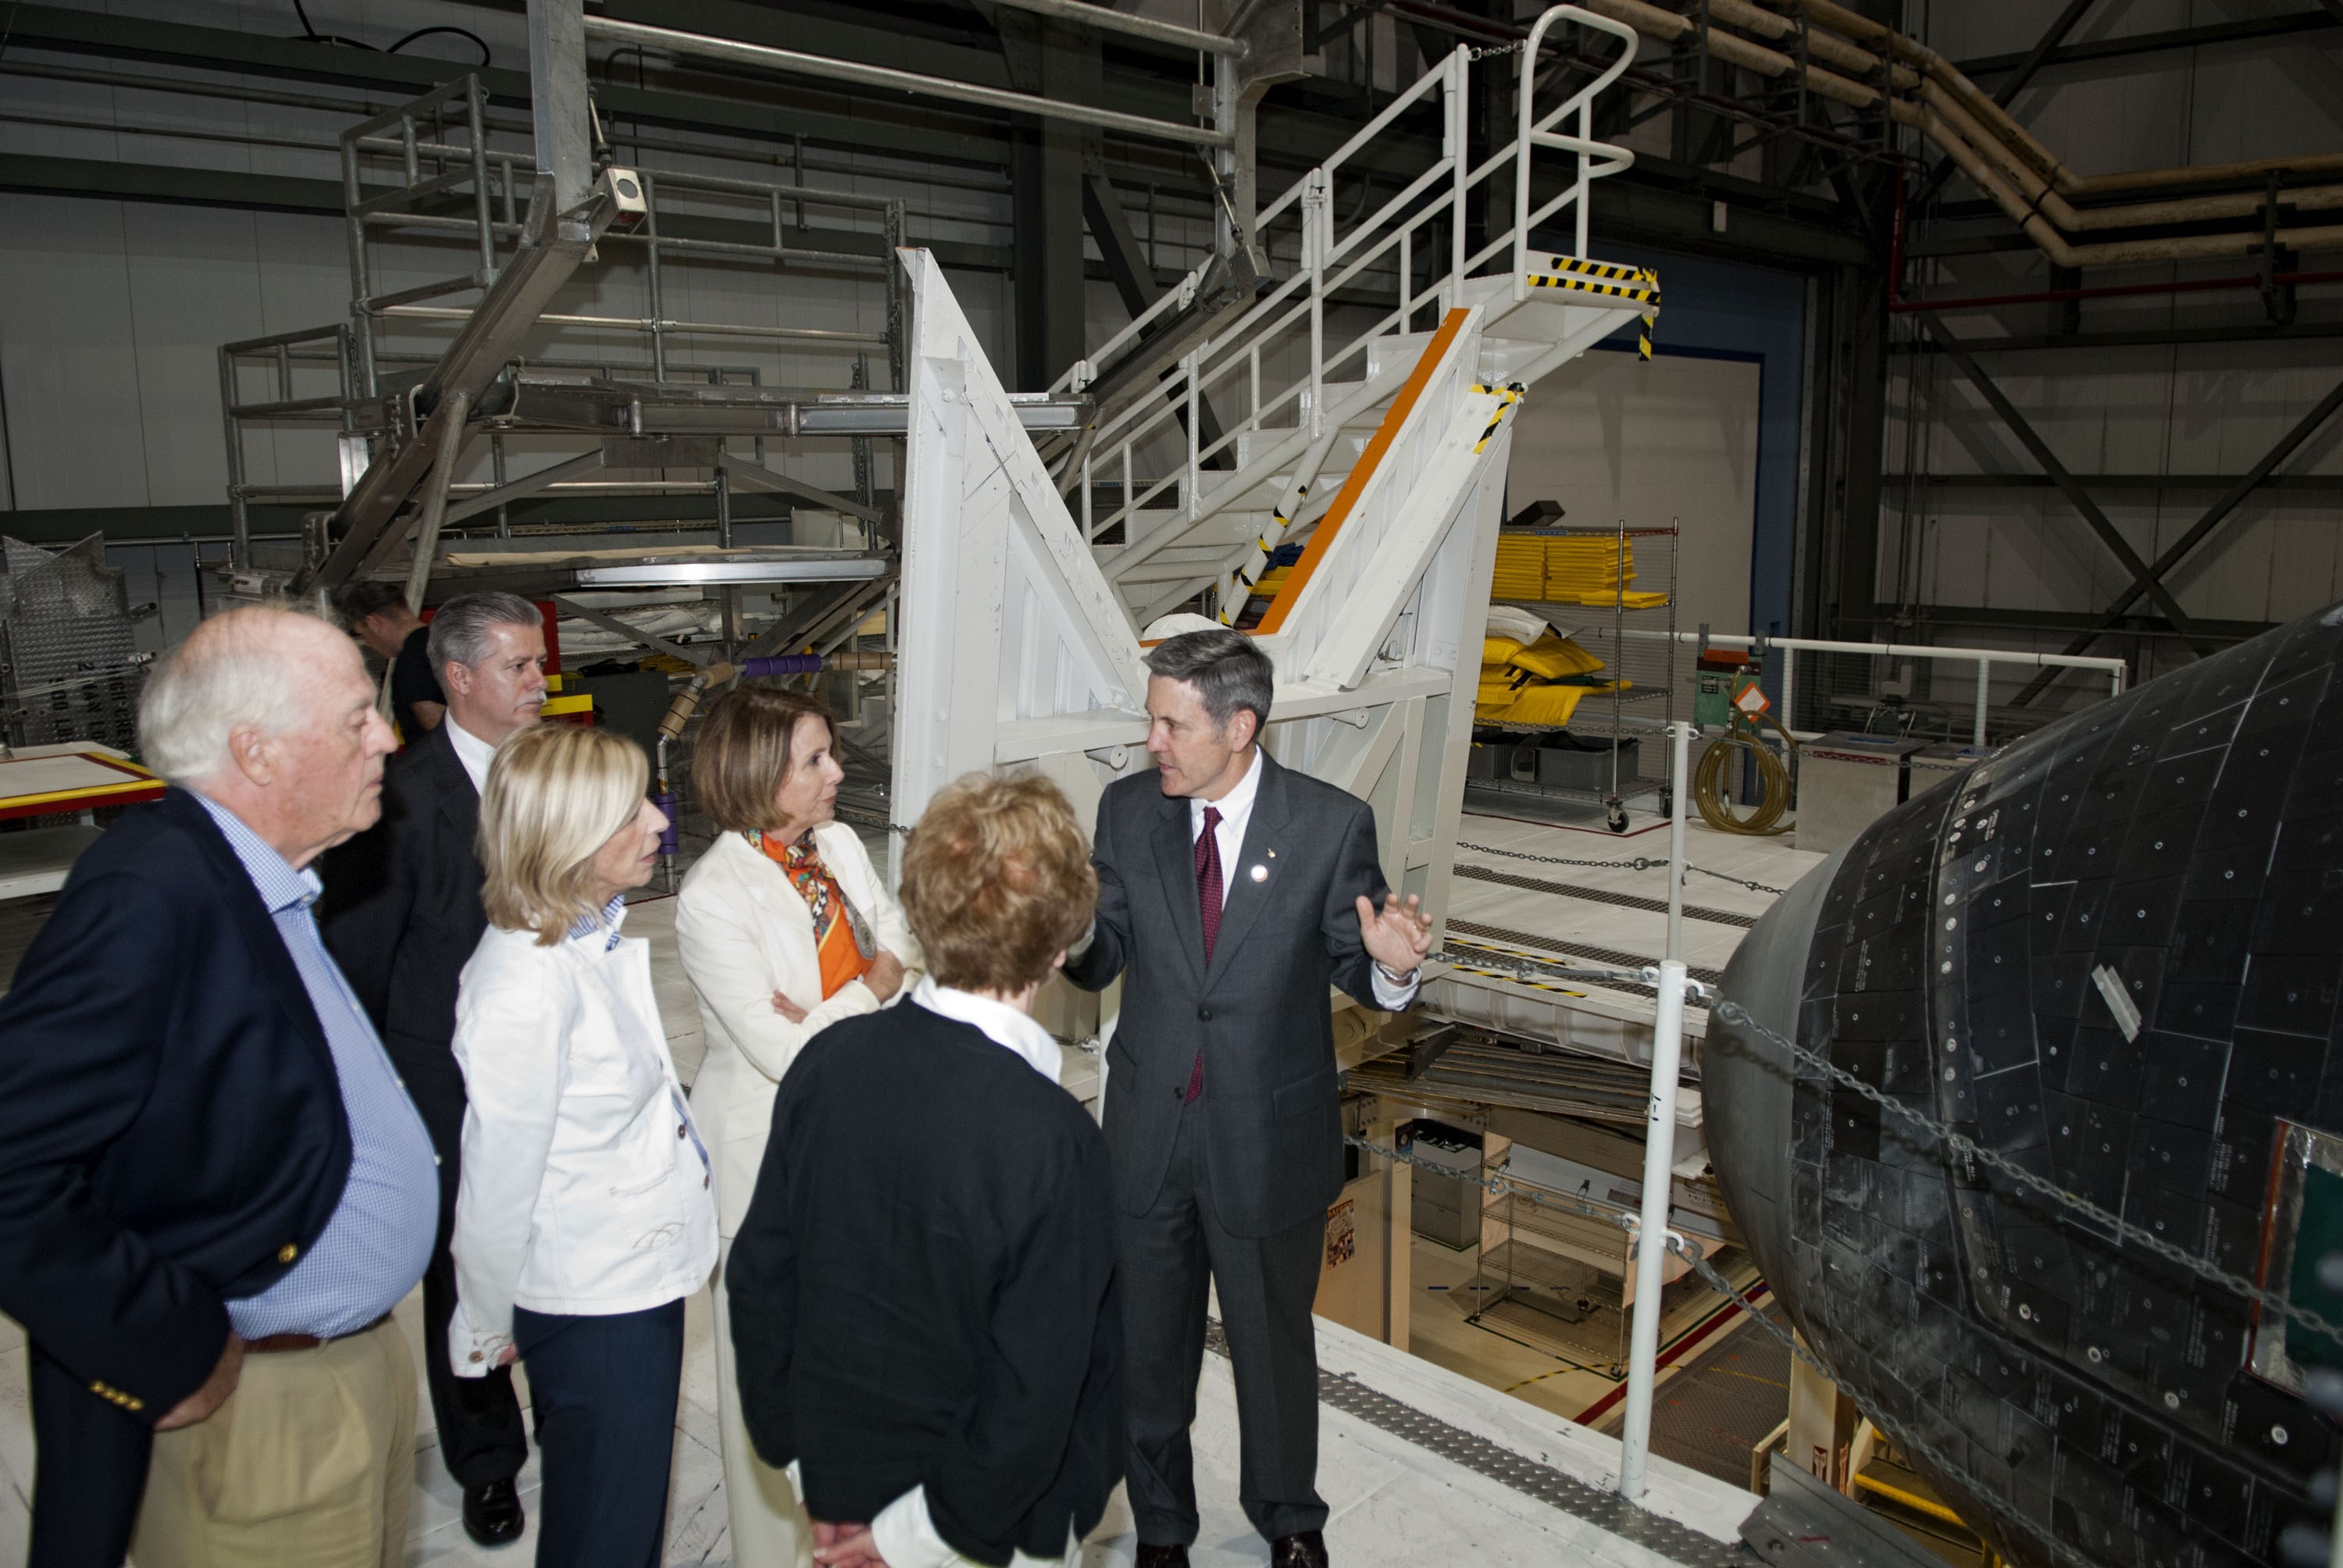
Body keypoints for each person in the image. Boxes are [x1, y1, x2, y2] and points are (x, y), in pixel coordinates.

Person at [0, 604, 433, 1568]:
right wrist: (166, 1342)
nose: (387, 738)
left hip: (349, 1366)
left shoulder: (264, 875)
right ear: (257, 751)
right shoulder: (150, 894)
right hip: (256, 1413)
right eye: (356, 719)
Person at [1062, 629, 1434, 1568]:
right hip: (1149, 1134)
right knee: (1149, 1352)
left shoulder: (1329, 825)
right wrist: (1068, 931)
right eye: (1152, 719)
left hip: (1267, 1140)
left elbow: (1356, 956)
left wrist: (1391, 969)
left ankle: (1289, 1517)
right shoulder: (1128, 811)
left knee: (1274, 1350)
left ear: (1239, 727)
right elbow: (1104, 951)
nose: (1152, 741)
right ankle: (1162, 1528)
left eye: (1171, 724)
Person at [728, 770, 1122, 1568]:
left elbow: (761, 1279)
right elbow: (1039, 1385)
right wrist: (910, 1538)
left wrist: (807, 1469)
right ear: (1056, 950)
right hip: (984, 1528)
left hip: (836, 1494)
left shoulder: (827, 1061)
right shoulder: (1054, 1141)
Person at [448, 723, 719, 1568]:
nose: (659, 821)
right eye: (629, 811)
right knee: (605, 1535)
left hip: (632, 1281)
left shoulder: (579, 939)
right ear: (565, 835)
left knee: (623, 1524)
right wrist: (484, 1325)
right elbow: (496, 1184)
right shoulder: (522, 986)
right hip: (595, 1306)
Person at [320, 590, 551, 1547]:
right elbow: (358, 966)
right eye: (518, 666)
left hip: (553, 1065)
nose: (540, 681)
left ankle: (567, 1405)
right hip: (446, 1079)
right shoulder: (401, 800)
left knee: (554, 1248)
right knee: (466, 1269)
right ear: (457, 677)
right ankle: (487, 1458)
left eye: (540, 663)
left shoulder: (557, 773)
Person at [676, 686, 922, 1568]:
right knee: (768, 1397)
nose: (837, 772)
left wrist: (843, 998)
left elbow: (907, 944)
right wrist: (872, 983)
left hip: (864, 1143)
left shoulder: (843, 847)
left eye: (831, 753)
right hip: (766, 1168)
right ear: (757, 773)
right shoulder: (712, 895)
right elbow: (785, 1051)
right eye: (814, 759)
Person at [337, 580, 446, 739]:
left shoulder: (410, 660)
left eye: (363, 634)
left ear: (373, 622)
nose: (368, 643)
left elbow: (432, 718)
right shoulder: (445, 640)